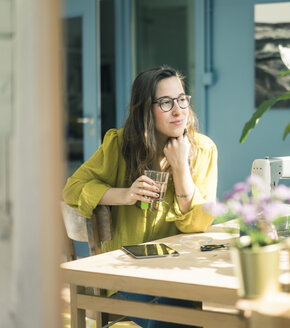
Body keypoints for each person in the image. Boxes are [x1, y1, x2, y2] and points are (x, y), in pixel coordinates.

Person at [63, 66, 217, 328]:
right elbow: (72, 188)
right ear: (145, 108)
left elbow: (199, 224)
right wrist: (125, 194)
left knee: (182, 309)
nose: (179, 110)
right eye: (166, 103)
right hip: (124, 274)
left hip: (180, 273)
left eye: (182, 99)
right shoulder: (119, 145)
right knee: (173, 315)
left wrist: (180, 168)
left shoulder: (202, 149)